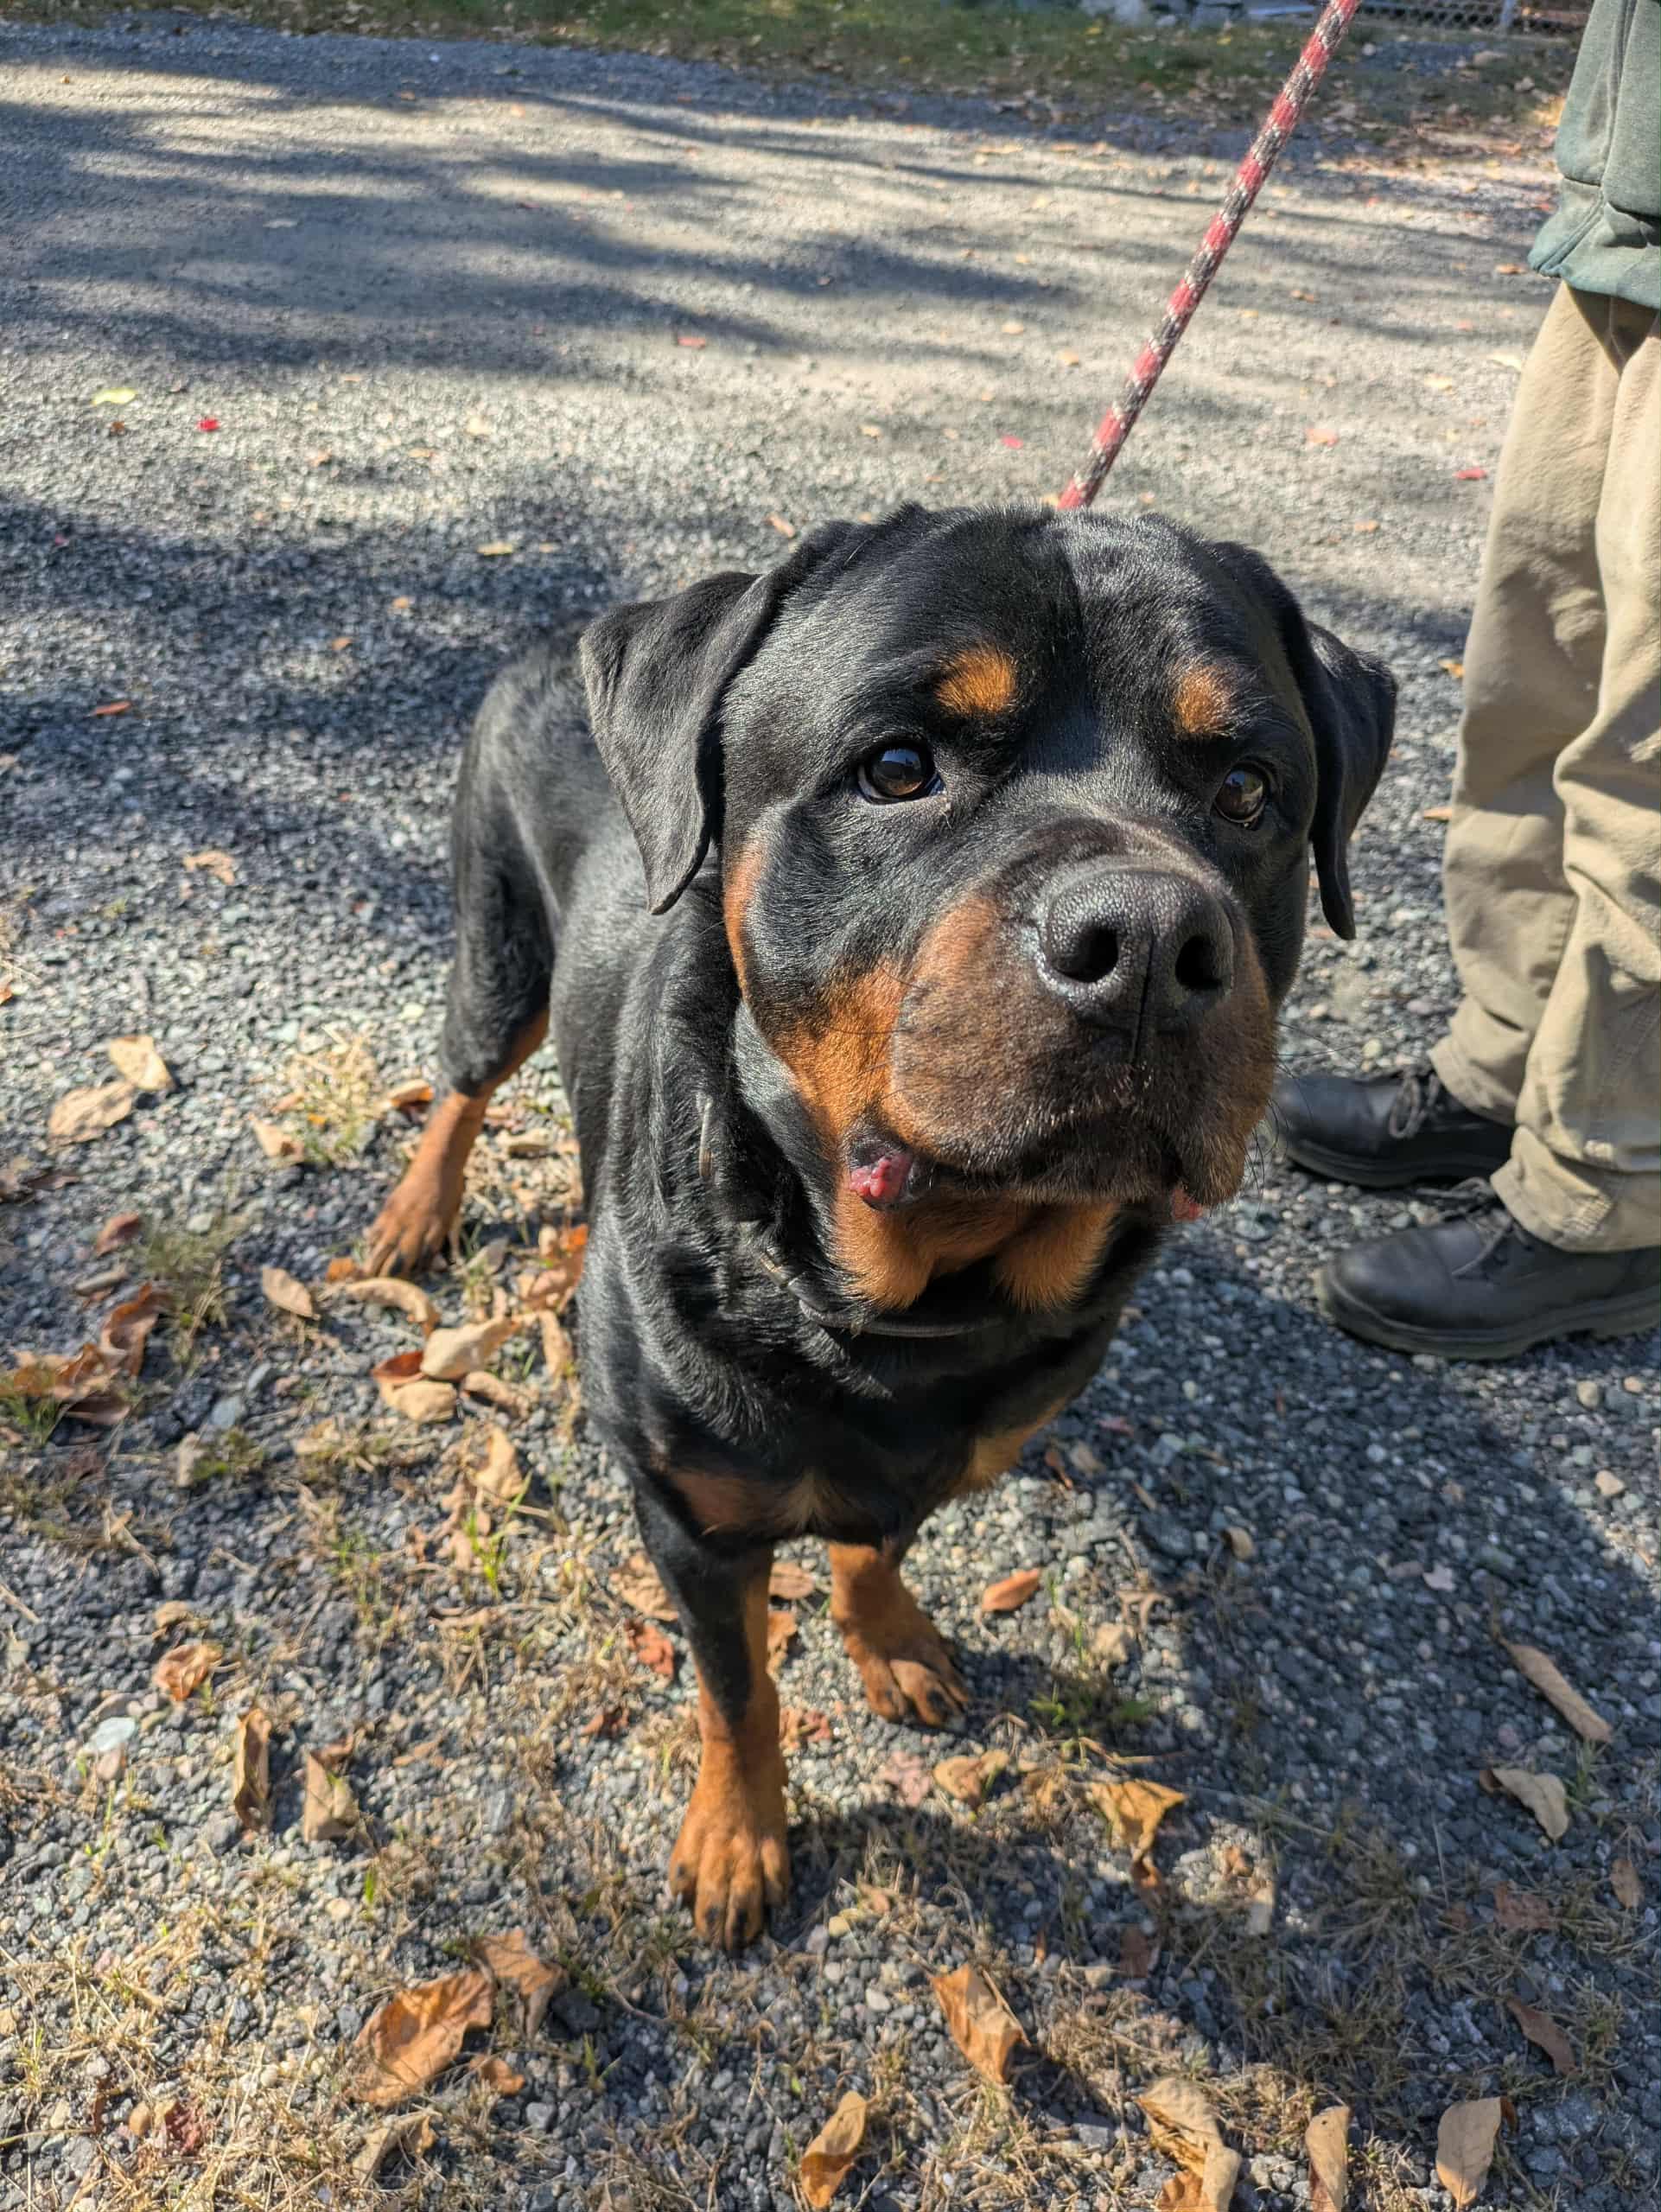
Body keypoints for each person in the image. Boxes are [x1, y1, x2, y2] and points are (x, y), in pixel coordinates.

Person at [1274, 0, 1659, 1361]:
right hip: (1629, 210)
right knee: (1532, 688)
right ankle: (1510, 1063)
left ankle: (1610, 1187)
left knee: (1651, 775)